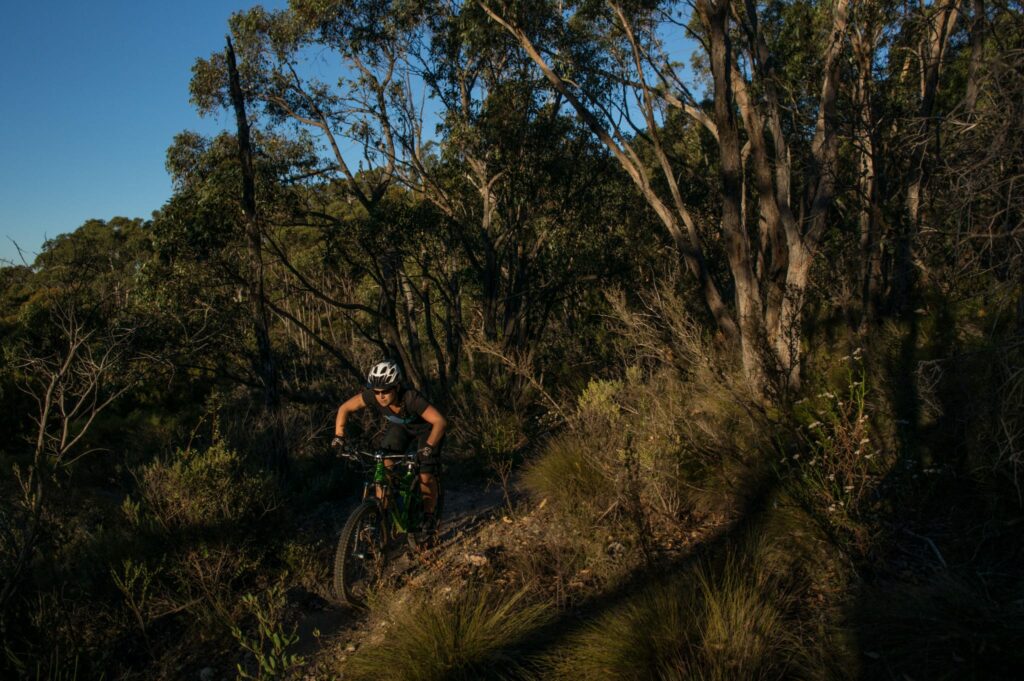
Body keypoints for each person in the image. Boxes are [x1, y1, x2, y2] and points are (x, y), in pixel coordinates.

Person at [332, 360, 447, 537]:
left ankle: (429, 515)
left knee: (425, 472)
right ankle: (380, 514)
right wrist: (339, 437)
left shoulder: (411, 398)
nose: (381, 396)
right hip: (401, 427)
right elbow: (344, 408)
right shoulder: (373, 396)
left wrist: (428, 447)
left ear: (397, 387)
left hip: (428, 430)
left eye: (386, 391)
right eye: (377, 391)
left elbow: (440, 421)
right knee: (383, 462)